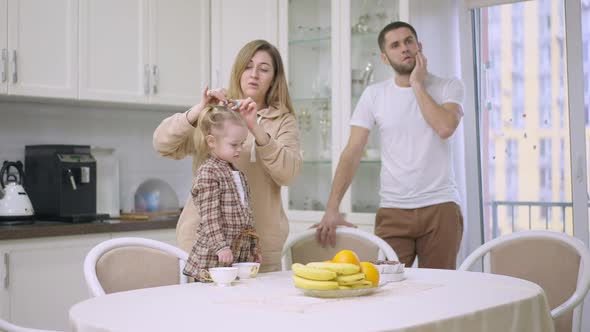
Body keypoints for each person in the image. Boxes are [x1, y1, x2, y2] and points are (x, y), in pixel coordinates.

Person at [314, 21, 464, 269]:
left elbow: (445, 127)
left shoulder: (449, 86)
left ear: (419, 46)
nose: (404, 48)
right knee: (388, 288)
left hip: (441, 206)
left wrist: (417, 84)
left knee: (440, 290)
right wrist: (332, 207)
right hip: (393, 210)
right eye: (395, 45)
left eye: (409, 41)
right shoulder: (374, 95)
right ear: (384, 58)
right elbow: (352, 153)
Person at [153, 40, 302, 273]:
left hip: (258, 248)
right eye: (248, 66)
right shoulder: (215, 114)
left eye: (264, 69)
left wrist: (255, 128)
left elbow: (288, 174)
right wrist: (198, 110)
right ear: (238, 70)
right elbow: (162, 144)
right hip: (205, 245)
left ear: (274, 77)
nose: (254, 74)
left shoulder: (283, 120)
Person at [182, 105, 261, 281]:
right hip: (213, 259)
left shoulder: (238, 173)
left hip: (237, 256)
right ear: (211, 142)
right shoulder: (208, 173)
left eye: (242, 143)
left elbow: (246, 217)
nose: (239, 149)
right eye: (234, 144)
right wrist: (220, 247)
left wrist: (254, 249)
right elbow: (210, 217)